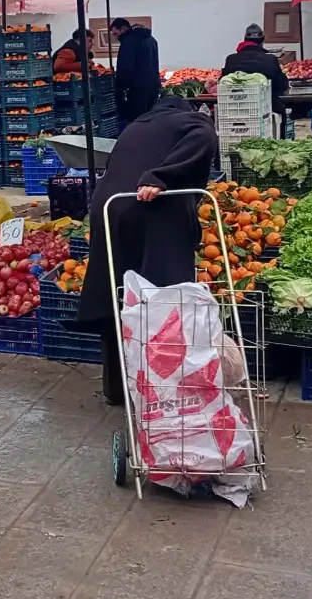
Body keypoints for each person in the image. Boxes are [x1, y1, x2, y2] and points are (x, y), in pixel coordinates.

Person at [74, 96, 219, 405]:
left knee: (118, 295)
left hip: (108, 209)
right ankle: (163, 389)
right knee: (162, 297)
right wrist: (162, 176)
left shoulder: (136, 126)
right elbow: (205, 136)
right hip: (149, 209)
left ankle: (117, 389)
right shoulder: (190, 121)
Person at [222, 23, 290, 137]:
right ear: (262, 40)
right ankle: (281, 141)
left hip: (235, 108)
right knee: (281, 111)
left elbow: (222, 82)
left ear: (245, 40)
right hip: (266, 108)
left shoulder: (231, 59)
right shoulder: (270, 59)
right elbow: (282, 85)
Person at [109, 17, 161, 125]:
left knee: (136, 122)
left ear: (123, 28)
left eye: (115, 33)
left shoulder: (128, 42)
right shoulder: (152, 40)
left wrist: (120, 88)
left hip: (136, 90)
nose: (115, 37)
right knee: (149, 120)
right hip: (153, 87)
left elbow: (125, 68)